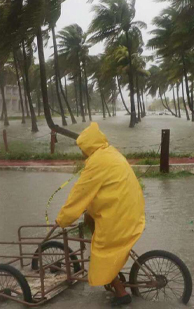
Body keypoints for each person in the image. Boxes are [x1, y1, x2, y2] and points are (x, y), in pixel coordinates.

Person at [55, 122, 146, 307]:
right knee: (91, 219)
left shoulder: (96, 162)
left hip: (119, 215)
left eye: (82, 148)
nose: (81, 152)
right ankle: (115, 275)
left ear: (88, 146)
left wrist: (62, 219)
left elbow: (79, 194)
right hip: (131, 210)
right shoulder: (110, 152)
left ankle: (121, 293)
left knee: (101, 253)